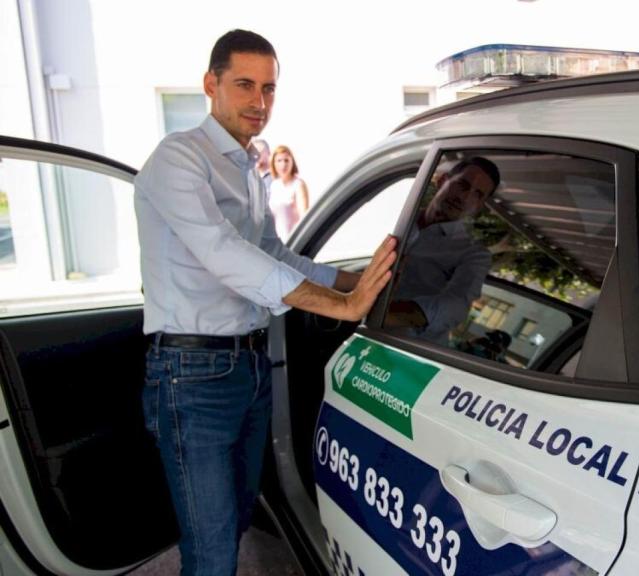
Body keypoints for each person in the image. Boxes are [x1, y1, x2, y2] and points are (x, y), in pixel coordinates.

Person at [133, 29, 395, 576]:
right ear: (211, 84)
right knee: (212, 549)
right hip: (192, 374)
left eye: (270, 89)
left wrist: (354, 279)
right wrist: (340, 306)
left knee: (234, 525)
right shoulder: (179, 158)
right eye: (245, 85)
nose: (260, 102)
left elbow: (274, 253)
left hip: (248, 366)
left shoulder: (249, 164)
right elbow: (223, 252)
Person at [385, 157, 499, 345]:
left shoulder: (473, 254)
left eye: (477, 194)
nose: (464, 198)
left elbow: (455, 306)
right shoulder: (400, 220)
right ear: (442, 181)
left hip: (407, 353)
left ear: (479, 206)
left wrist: (384, 312)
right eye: (462, 184)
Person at [268, 144, 309, 239]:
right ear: (274, 163)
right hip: (277, 241)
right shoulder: (274, 185)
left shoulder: (298, 184)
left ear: (292, 162)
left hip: (293, 240)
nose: (283, 165)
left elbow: (304, 217)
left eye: (286, 160)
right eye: (279, 161)